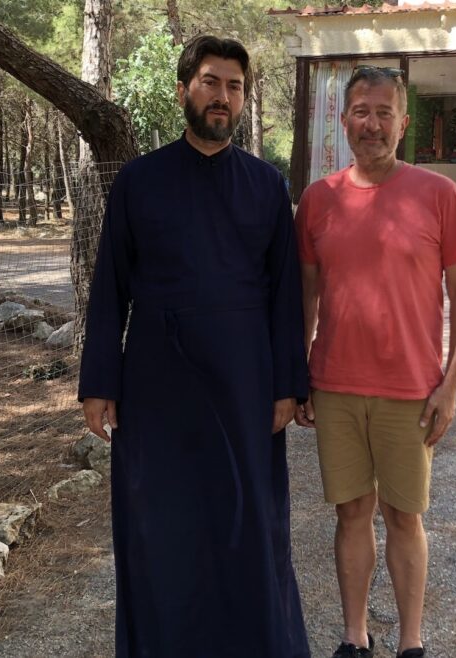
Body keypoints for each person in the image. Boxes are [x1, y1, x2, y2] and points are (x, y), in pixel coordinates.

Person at [79, 35, 311, 658]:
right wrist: (99, 383)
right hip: (158, 382)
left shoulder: (267, 186)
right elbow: (110, 286)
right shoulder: (139, 181)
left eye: (234, 86)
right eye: (211, 82)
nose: (222, 97)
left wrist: (288, 386)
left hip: (245, 381)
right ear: (184, 90)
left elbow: (286, 294)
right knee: (162, 525)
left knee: (250, 522)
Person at [294, 66, 456, 658]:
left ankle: (410, 642)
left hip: (410, 392)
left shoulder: (438, 194)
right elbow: (307, 299)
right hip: (336, 386)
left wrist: (451, 384)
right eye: (360, 112)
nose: (371, 124)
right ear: (343, 120)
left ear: (403, 123)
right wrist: (298, 374)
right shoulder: (318, 201)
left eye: (383, 113)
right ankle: (354, 636)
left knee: (404, 517)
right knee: (351, 514)